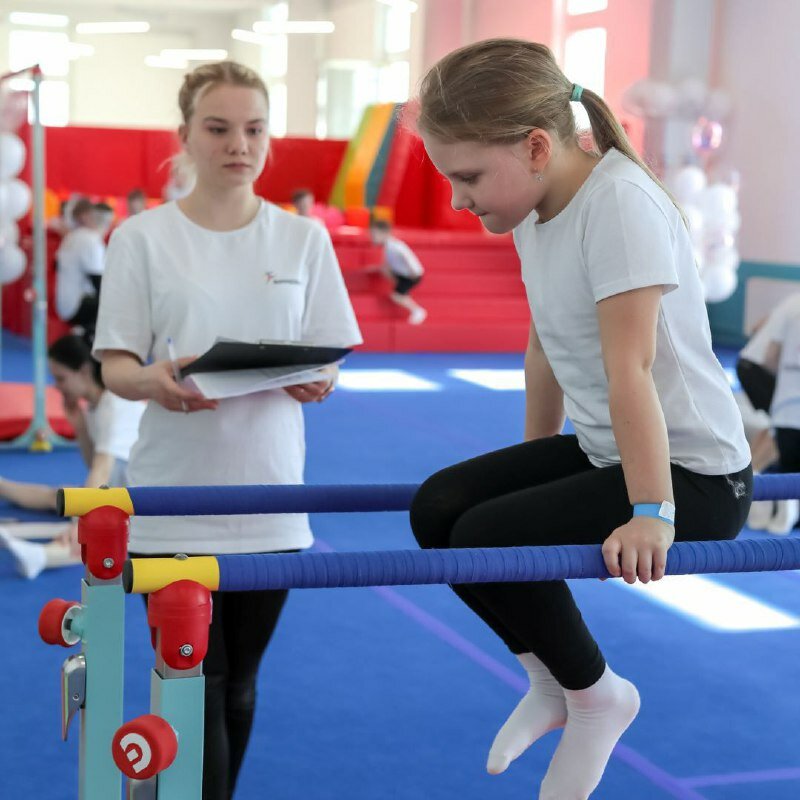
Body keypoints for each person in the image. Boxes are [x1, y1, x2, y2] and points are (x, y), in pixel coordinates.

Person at [408, 39, 752, 800]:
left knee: (487, 538)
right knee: (440, 508)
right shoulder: (535, 207)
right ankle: (551, 679)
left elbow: (631, 369)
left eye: (468, 177)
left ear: (536, 147)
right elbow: (546, 344)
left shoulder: (619, 204)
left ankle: (599, 697)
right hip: (608, 451)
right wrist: (530, 464)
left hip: (694, 477)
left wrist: (653, 513)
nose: (459, 200)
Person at [92, 60, 362, 800]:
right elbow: (115, 365)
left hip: (271, 498)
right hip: (174, 499)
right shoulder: (142, 237)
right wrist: (154, 380)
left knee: (239, 683)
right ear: (184, 134)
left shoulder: (303, 239)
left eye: (254, 129)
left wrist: (321, 380)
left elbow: (329, 357)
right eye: (218, 128)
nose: (238, 144)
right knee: (195, 682)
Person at [0, 335, 144, 578]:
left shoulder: (117, 405)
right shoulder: (96, 405)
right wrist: (79, 427)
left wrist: (81, 522)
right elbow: (93, 464)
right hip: (120, 490)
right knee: (60, 496)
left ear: (84, 371)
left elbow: (101, 470)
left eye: (61, 378)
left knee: (98, 531)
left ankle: (42, 556)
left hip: (140, 499)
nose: (57, 387)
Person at [744, 297, 800, 533]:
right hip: (765, 374)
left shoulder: (792, 303)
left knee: (776, 432)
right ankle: (760, 492)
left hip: (779, 394)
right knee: (777, 438)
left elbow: (757, 331)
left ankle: (754, 488)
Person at [55, 199, 113, 343]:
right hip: (78, 304)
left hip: (64, 302)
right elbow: (98, 281)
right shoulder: (90, 239)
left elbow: (56, 264)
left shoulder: (71, 236)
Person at [367, 218, 427, 324]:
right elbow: (386, 266)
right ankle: (402, 291)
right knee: (383, 269)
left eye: (374, 235)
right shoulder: (387, 247)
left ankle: (417, 310)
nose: (372, 238)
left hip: (411, 275)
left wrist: (413, 271)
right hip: (402, 274)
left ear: (384, 234)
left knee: (396, 296)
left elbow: (407, 257)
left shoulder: (395, 246)